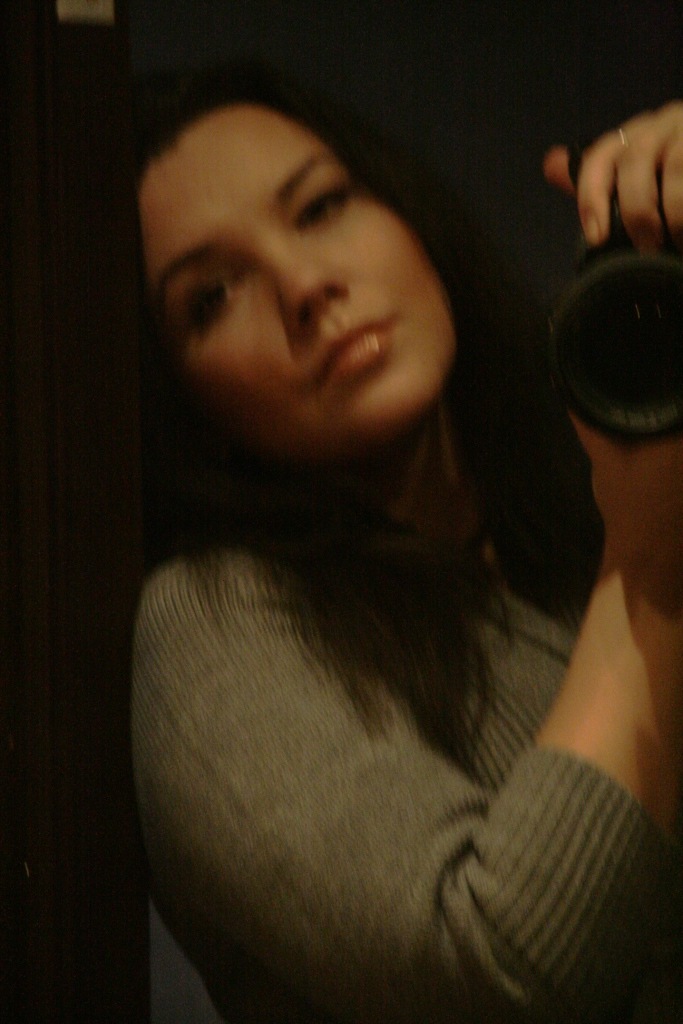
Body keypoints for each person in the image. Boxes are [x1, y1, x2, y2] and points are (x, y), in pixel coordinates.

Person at [131, 61, 683, 1023]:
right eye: (212, 296)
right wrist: (650, 565)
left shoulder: (587, 483)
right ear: (176, 396)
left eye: (320, 207)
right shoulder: (211, 621)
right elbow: (495, 969)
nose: (305, 285)